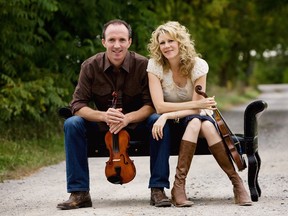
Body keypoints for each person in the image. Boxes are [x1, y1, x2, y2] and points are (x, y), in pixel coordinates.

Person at [146, 21, 252, 207]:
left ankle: (235, 183)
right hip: (173, 124)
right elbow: (160, 106)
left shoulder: (198, 65)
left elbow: (195, 111)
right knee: (199, 123)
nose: (167, 46)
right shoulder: (154, 66)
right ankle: (232, 182)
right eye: (162, 42)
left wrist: (168, 115)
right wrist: (169, 114)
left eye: (171, 40)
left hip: (192, 117)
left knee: (201, 123)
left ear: (180, 42)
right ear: (157, 46)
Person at [57, 19, 154, 210]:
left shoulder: (144, 65)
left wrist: (127, 118)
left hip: (135, 125)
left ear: (130, 42)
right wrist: (103, 116)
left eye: (121, 40)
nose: (116, 45)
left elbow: (151, 104)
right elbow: (77, 104)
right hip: (103, 128)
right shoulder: (90, 66)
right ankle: (79, 193)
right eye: (111, 40)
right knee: (72, 123)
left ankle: (158, 189)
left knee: (157, 120)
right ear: (103, 42)